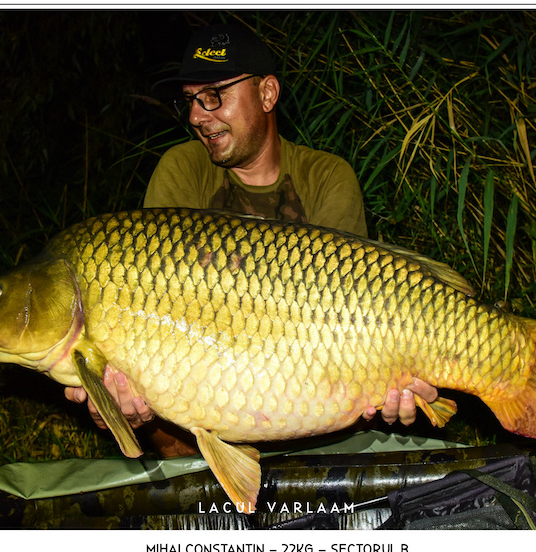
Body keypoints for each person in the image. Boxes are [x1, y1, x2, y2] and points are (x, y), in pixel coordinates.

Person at [65, 23, 438, 453]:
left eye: (213, 96)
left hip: (316, 398)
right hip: (203, 403)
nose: (196, 116)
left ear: (267, 94)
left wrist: (388, 379)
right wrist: (121, 395)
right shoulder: (181, 171)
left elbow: (351, 319)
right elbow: (155, 316)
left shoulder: (327, 177)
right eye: (189, 100)